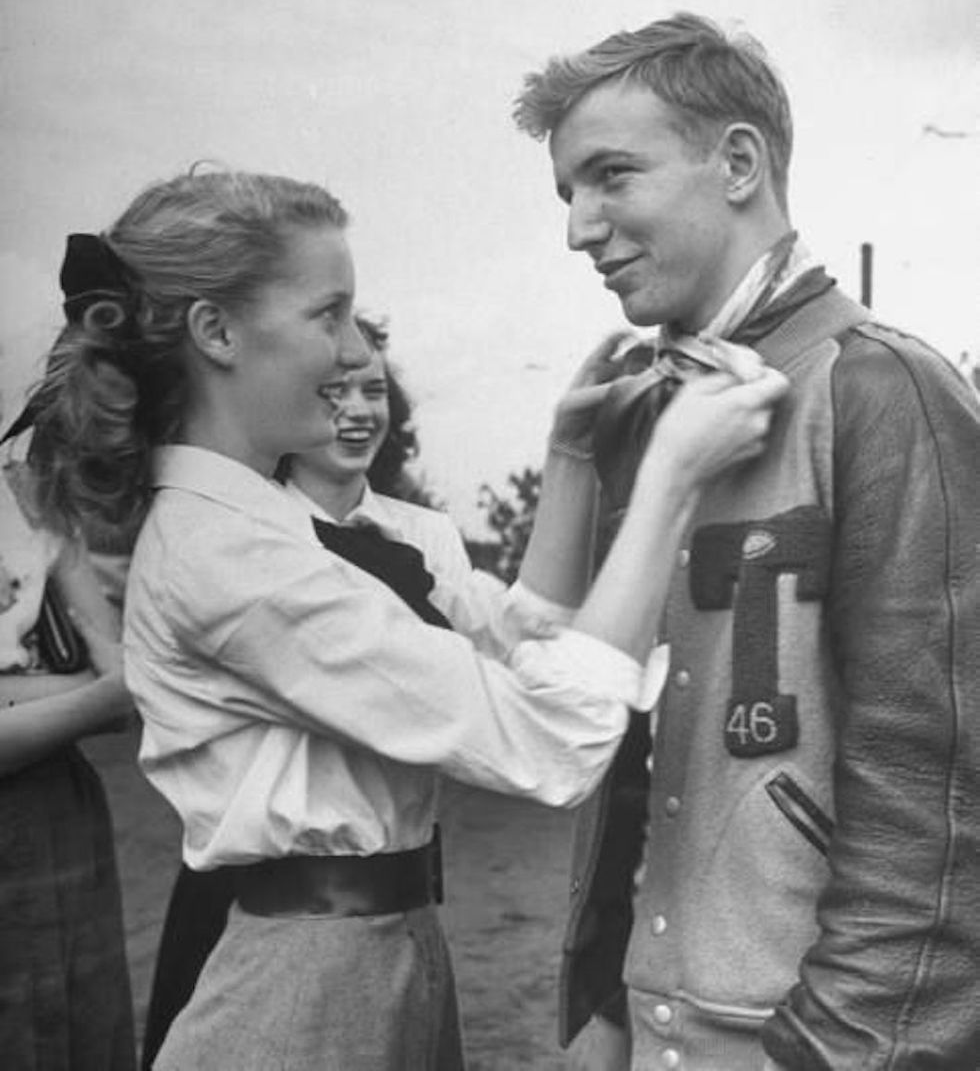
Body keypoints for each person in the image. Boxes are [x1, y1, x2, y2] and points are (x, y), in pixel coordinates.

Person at [24, 169, 786, 1070]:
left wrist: (572, 459)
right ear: (217, 333)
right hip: (304, 994)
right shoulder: (225, 554)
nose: (355, 352)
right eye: (329, 314)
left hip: (375, 959)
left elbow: (505, 649)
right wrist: (672, 481)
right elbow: (550, 742)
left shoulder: (272, 527)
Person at [513, 12, 980, 1071]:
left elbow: (939, 817)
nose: (579, 228)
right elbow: (633, 755)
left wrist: (827, 1053)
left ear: (737, 164)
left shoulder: (884, 390)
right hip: (650, 1028)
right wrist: (606, 1001)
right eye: (567, 192)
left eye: (611, 175)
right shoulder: (644, 418)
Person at [138, 317, 435, 1070]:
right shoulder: (241, 543)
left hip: (389, 880)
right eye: (334, 391)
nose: (356, 411)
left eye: (374, 390)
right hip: (270, 883)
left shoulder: (418, 539)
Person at [0, 417, 136, 1068]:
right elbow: (107, 690)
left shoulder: (28, 496)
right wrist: (89, 693)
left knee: (81, 1029)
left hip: (62, 814)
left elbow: (124, 685)